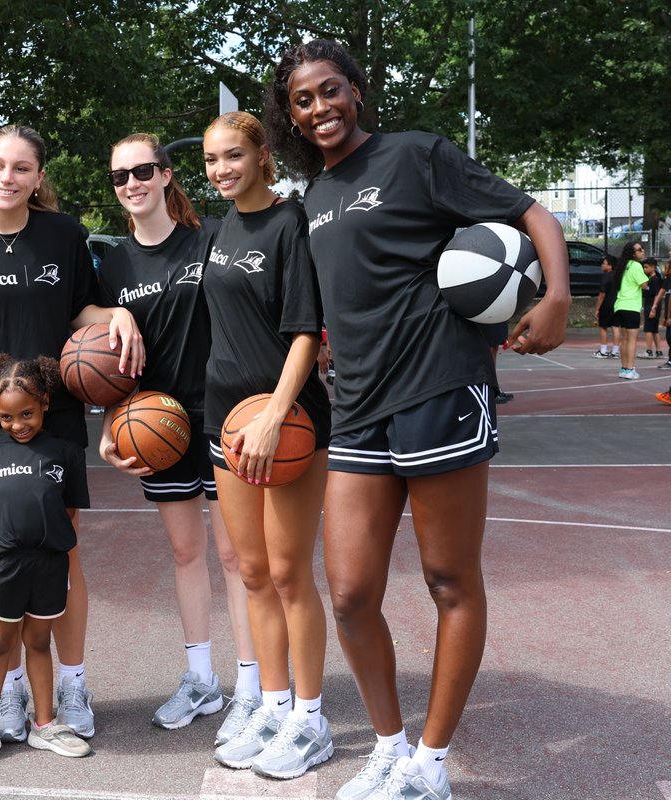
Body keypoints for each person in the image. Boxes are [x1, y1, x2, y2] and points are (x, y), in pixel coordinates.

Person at [266, 40, 570, 800]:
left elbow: (530, 212)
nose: (320, 109)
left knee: (449, 580)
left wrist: (556, 295)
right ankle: (390, 747)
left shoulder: (417, 156)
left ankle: (429, 767)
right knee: (350, 594)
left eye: (330, 91)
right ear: (292, 119)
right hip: (360, 408)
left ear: (357, 92)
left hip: (439, 386)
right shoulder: (313, 200)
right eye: (303, 101)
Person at [0, 123, 143, 741]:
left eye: (22, 168)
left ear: (39, 177)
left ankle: (70, 684)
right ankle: (16, 689)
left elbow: (83, 311)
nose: (7, 178)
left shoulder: (65, 236)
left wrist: (118, 311)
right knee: (0, 558)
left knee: (62, 557)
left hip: (55, 416)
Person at [95, 132, 260, 743]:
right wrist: (112, 427)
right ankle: (200, 678)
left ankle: (250, 683)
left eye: (142, 171)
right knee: (188, 553)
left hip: (219, 412)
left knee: (235, 555)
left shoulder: (211, 239)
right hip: (156, 421)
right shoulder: (113, 264)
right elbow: (95, 346)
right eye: (119, 177)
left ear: (166, 175)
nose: (131, 184)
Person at [195, 112, 332, 780]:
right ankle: (273, 705)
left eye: (232, 156)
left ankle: (311, 719)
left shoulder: (289, 222)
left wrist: (277, 413)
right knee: (251, 573)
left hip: (286, 424)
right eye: (211, 160)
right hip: (227, 423)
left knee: (288, 573)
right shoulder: (221, 229)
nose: (221, 169)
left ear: (260, 156)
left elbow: (306, 330)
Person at [0, 354, 93, 770]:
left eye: (27, 413)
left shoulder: (65, 451)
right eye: (8, 417)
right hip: (6, 567)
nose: (18, 424)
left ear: (45, 403)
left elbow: (70, 508)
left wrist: (47, 536)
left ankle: (44, 725)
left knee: (38, 642)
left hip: (50, 566)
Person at [612, 242, 649, 379]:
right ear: (633, 253)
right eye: (640, 250)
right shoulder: (636, 266)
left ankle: (623, 369)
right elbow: (644, 285)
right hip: (631, 307)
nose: (643, 251)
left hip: (620, 305)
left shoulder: (623, 266)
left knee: (625, 339)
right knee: (632, 339)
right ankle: (630, 369)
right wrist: (649, 276)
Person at [593, 255, 621, 359]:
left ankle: (603, 351)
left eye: (604, 263)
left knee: (603, 327)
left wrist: (597, 308)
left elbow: (602, 294)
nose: (602, 265)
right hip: (617, 304)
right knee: (616, 327)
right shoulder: (619, 277)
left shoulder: (606, 277)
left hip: (607, 305)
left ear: (610, 265)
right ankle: (615, 351)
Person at [639, 257, 664, 360]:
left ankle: (649, 351)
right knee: (654, 330)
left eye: (646, 267)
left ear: (653, 267)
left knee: (648, 329)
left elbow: (656, 295)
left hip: (652, 307)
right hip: (653, 307)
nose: (644, 269)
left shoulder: (654, 280)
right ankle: (659, 351)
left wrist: (653, 309)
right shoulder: (650, 279)